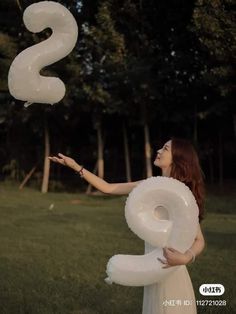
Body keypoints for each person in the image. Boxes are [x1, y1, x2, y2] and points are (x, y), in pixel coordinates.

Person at [49, 138, 205, 314]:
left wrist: (185, 258)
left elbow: (199, 240)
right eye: (161, 146)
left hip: (172, 274)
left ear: (178, 158)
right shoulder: (148, 186)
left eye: (165, 148)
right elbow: (108, 188)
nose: (159, 150)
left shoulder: (181, 197)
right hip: (152, 270)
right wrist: (76, 166)